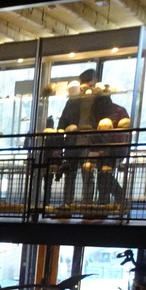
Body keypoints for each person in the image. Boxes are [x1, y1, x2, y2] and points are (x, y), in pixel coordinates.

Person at [58, 69, 99, 207]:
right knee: (73, 174)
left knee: (86, 175)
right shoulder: (73, 100)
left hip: (87, 142)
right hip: (74, 142)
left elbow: (63, 121)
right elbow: (63, 121)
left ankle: (82, 204)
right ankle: (70, 204)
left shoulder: (98, 98)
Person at [91, 92, 130, 206]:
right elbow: (122, 133)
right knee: (104, 174)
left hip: (111, 149)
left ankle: (108, 200)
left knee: (103, 174)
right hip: (116, 148)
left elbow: (114, 134)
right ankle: (109, 200)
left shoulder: (100, 111)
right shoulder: (119, 110)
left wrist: (100, 148)